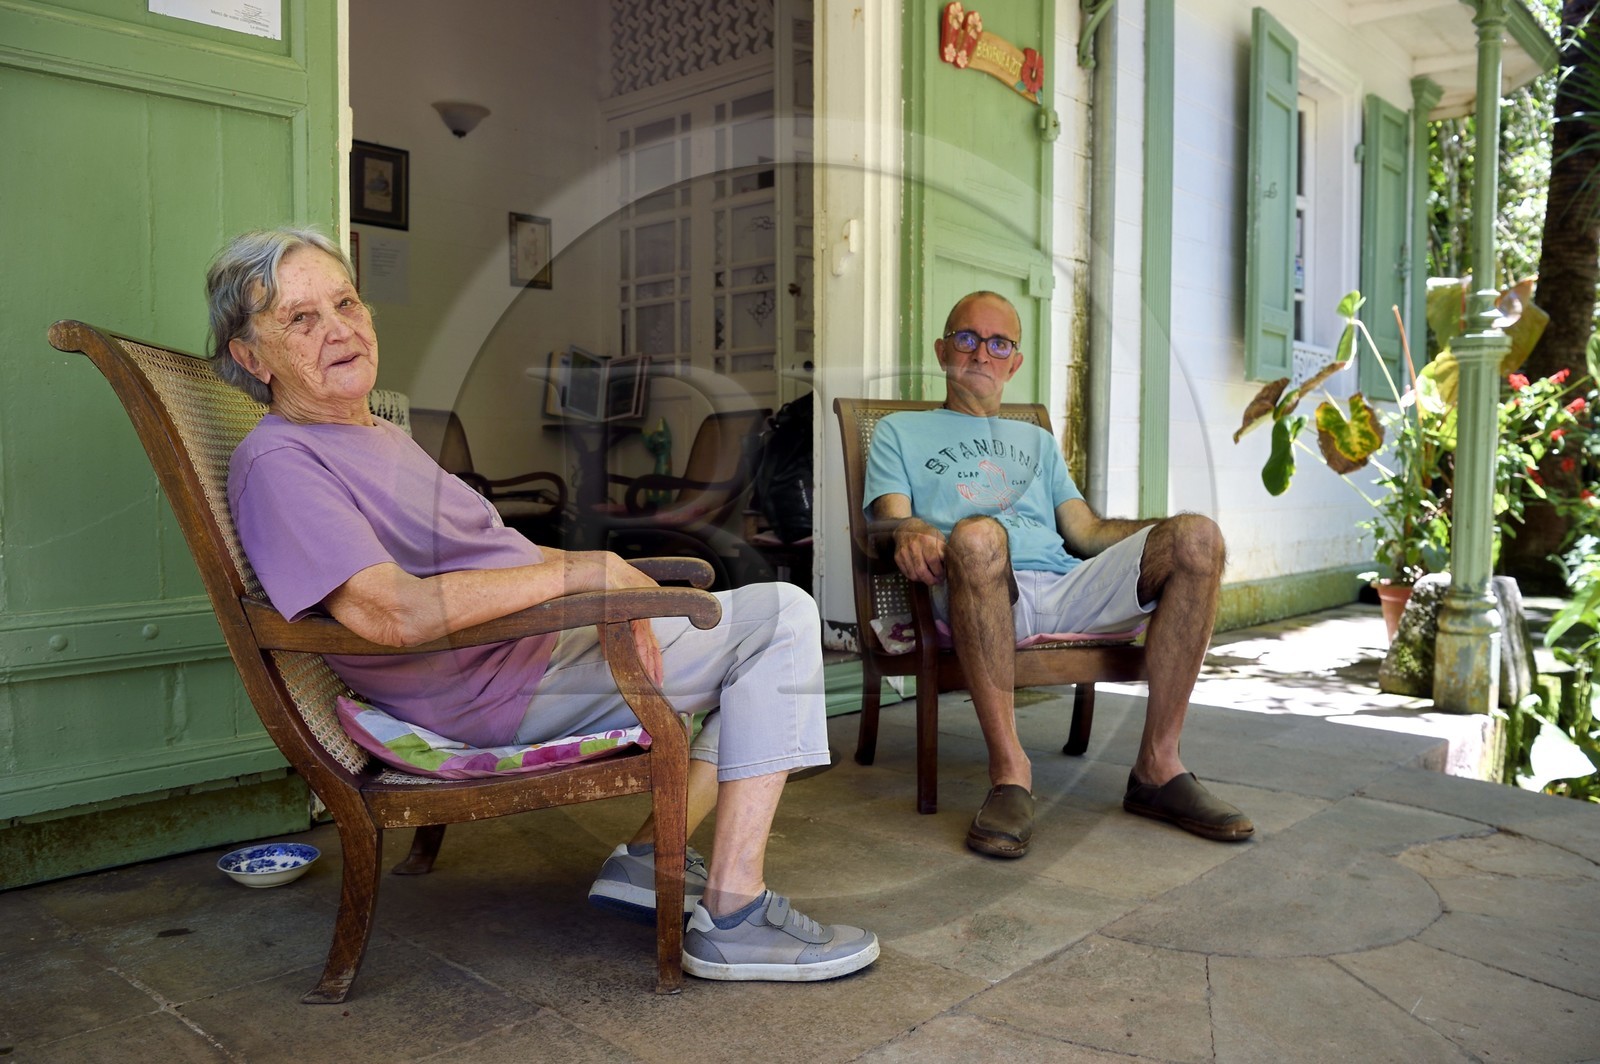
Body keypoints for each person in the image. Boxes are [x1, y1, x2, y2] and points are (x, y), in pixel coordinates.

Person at [207, 227, 877, 982]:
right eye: (301, 318)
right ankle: (732, 918)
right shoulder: (282, 461)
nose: (340, 329)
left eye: (347, 302)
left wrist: (616, 578)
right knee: (782, 621)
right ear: (252, 357)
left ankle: (645, 860)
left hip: (534, 648)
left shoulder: (375, 435)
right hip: (495, 686)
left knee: (745, 630)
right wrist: (589, 579)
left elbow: (506, 556)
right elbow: (391, 613)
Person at [864, 290, 1253, 859]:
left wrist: (1171, 536)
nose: (981, 354)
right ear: (943, 351)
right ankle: (1010, 774)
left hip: (1067, 585)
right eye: (967, 338)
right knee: (978, 536)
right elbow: (890, 520)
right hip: (976, 586)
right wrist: (910, 531)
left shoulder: (1038, 442)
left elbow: (1087, 531)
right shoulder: (899, 431)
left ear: (1014, 362)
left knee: (1199, 535)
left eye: (999, 344)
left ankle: (1158, 768)